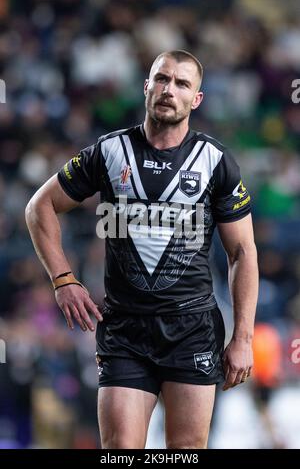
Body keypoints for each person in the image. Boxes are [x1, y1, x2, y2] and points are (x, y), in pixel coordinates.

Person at [25, 50, 258, 449]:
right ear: (146, 86)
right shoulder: (109, 152)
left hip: (192, 329)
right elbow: (39, 207)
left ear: (196, 99)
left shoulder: (215, 162)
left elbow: (243, 253)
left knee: (185, 452)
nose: (170, 90)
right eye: (162, 79)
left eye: (182, 83)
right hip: (125, 329)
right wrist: (63, 280)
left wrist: (243, 338)